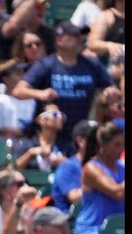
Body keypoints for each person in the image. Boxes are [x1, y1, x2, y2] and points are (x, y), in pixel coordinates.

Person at [12, 21, 113, 153]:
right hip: (52, 134)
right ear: (59, 40)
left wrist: (110, 92)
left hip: (81, 133)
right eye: (74, 36)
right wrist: (40, 94)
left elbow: (110, 88)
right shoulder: (46, 65)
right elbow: (18, 91)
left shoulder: (92, 64)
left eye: (80, 36)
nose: (80, 39)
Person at [75, 122, 124, 234]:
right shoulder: (91, 168)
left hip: (120, 230)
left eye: (123, 144)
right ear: (102, 145)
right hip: (93, 231)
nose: (121, 149)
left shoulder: (122, 168)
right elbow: (117, 193)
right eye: (116, 145)